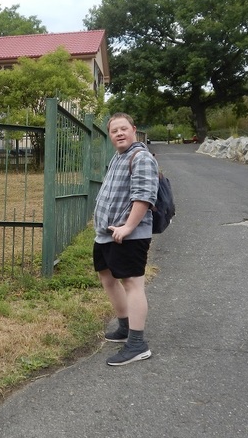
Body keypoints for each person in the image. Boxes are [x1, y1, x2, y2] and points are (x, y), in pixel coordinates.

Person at [93, 112, 159, 366]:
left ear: (134, 130)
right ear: (110, 136)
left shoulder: (140, 157)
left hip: (127, 235)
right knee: (107, 277)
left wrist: (128, 227)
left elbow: (144, 196)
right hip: (107, 233)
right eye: (114, 131)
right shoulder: (118, 157)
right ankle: (124, 327)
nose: (119, 133)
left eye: (123, 129)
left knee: (132, 283)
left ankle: (137, 343)